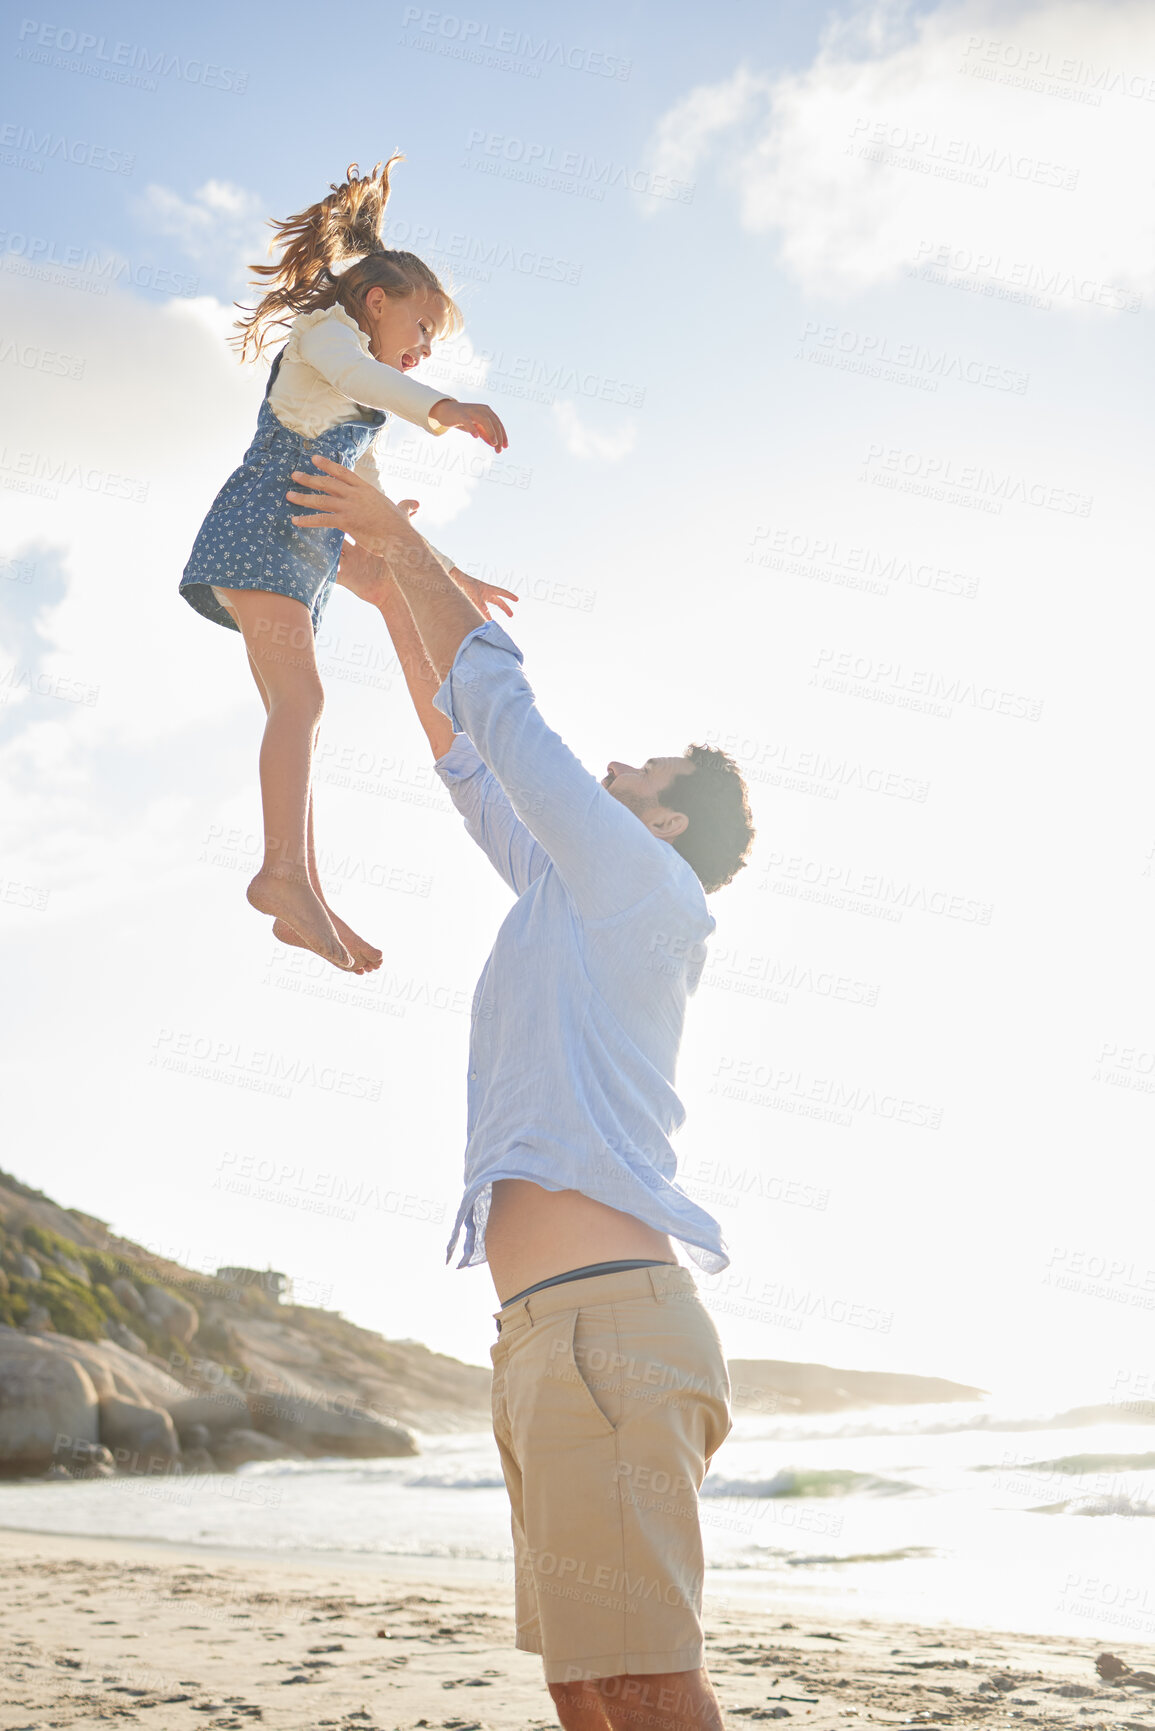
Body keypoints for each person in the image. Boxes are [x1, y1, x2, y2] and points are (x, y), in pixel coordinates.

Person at [288, 454, 756, 1731]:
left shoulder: (646, 894)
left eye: (639, 777)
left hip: (609, 1330)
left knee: (645, 1678)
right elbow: (474, 767)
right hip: (548, 1336)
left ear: (665, 828)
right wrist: (391, 599)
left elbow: (509, 716)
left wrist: (398, 534)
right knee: (583, 1682)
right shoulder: (571, 893)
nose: (612, 773)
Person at [179, 158, 512, 972]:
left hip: (307, 539)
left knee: (311, 690)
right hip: (264, 526)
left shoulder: (359, 405)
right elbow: (368, 375)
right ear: (377, 302)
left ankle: (304, 892)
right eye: (423, 328)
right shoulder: (329, 338)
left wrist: (452, 575)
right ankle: (282, 875)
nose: (427, 347)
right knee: (305, 698)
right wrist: (446, 409)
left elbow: (365, 485)